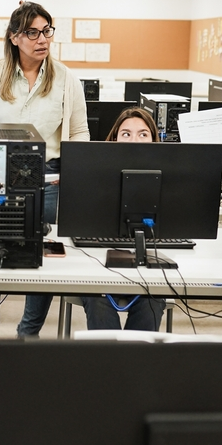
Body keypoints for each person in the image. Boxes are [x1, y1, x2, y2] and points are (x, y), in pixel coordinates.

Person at [0, 0, 90, 338]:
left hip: (49, 177)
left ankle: (29, 332)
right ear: (14, 38)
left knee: (43, 256)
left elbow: (80, 131)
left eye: (47, 31)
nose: (42, 39)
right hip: (2, 174)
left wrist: (73, 168)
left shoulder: (67, 79)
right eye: (33, 32)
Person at [80, 107, 166, 331]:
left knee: (152, 301)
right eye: (126, 133)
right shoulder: (94, 174)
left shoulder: (168, 177)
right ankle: (110, 364)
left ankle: (135, 364)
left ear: (154, 139)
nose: (134, 140)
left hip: (147, 268)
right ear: (115, 137)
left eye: (143, 134)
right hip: (99, 266)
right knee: (98, 300)